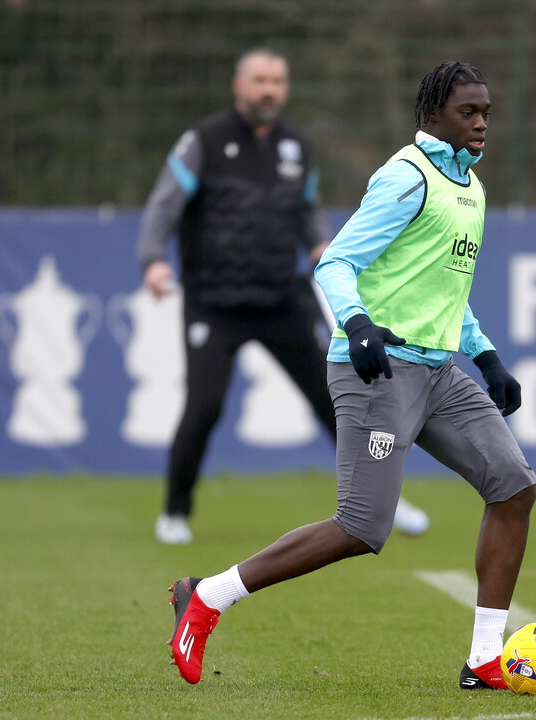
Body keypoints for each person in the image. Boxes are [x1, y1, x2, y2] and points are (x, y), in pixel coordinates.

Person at [166, 61, 536, 691]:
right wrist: (358, 324)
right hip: (378, 369)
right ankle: (207, 595)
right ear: (433, 116)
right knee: (363, 527)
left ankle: (483, 658)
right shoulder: (406, 177)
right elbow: (336, 262)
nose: (480, 124)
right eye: (467, 113)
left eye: (486, 113)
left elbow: (445, 289)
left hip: (439, 371)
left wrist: (486, 353)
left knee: (514, 488)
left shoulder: (470, 189)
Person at [136, 48, 429, 545]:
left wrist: (322, 245)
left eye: (276, 81)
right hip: (214, 301)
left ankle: (383, 499)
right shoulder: (203, 141)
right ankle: (175, 512)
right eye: (259, 80)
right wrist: (154, 260)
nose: (268, 89)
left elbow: (307, 212)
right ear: (239, 85)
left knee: (335, 400)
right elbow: (163, 206)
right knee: (203, 407)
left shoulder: (297, 146)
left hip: (280, 298)